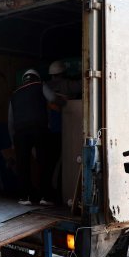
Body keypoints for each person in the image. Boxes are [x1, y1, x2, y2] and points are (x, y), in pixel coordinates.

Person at [42, 60, 84, 202]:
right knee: (65, 161)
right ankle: (61, 191)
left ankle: (49, 192)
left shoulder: (46, 86)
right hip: (67, 128)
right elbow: (82, 85)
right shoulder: (66, 84)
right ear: (63, 73)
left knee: (50, 162)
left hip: (48, 129)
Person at [9, 69, 52, 206]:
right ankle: (45, 197)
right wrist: (63, 101)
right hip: (39, 129)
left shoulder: (15, 93)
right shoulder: (41, 86)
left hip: (20, 132)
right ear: (37, 78)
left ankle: (24, 197)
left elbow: (10, 120)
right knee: (44, 162)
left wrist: (12, 140)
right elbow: (52, 99)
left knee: (23, 165)